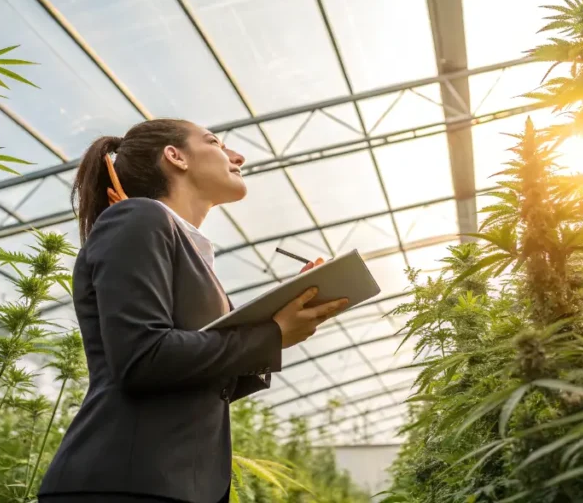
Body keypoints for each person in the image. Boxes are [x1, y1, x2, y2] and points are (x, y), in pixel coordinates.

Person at [37, 119, 349, 503]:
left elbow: (196, 382)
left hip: (169, 483)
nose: (237, 156)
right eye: (215, 142)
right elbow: (142, 357)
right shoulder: (138, 217)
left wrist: (280, 316)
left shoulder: (184, 248)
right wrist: (270, 336)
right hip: (126, 482)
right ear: (175, 157)